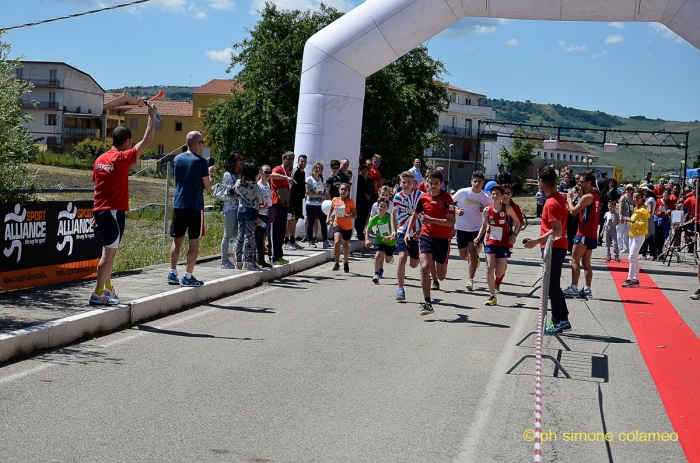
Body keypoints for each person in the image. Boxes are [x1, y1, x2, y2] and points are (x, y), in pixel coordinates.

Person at [89, 103, 157, 305]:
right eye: (130, 142)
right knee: (108, 255)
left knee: (107, 251)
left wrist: (96, 213)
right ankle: (98, 292)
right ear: (126, 142)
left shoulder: (100, 159)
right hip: (113, 211)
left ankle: (107, 287)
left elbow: (98, 186)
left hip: (101, 210)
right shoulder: (121, 158)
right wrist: (152, 116)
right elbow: (148, 141)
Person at [523, 166, 570, 333]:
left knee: (551, 285)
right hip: (556, 246)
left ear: (541, 182)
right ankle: (562, 317)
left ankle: (558, 320)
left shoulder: (551, 202)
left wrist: (536, 241)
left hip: (554, 247)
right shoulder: (558, 197)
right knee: (553, 284)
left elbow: (557, 229)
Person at [167, 131, 215, 286]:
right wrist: (209, 172)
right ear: (198, 143)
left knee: (177, 240)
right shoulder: (201, 162)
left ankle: (172, 272)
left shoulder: (177, 159)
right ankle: (188, 276)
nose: (202, 145)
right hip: (195, 206)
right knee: (194, 242)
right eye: (201, 143)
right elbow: (208, 187)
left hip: (179, 204)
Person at [405, 170, 455, 316]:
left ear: (441, 184)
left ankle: (438, 272)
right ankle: (427, 302)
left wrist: (432, 220)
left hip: (442, 239)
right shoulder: (423, 198)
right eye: (430, 183)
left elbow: (450, 222)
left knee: (441, 276)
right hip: (426, 237)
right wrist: (408, 232)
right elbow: (414, 215)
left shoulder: (447, 199)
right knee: (425, 267)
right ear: (426, 182)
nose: (433, 186)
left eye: (436, 183)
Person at [475, 184, 520, 306]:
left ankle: (502, 265)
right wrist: (478, 237)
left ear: (501, 196)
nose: (494, 196)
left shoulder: (507, 209)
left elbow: (518, 222)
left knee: (498, 273)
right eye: (493, 194)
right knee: (489, 267)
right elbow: (484, 226)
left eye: (497, 194)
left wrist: (514, 234)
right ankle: (492, 295)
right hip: (491, 241)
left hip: (504, 242)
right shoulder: (486, 210)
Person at [563, 170, 600, 299]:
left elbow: (573, 211)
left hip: (583, 232)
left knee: (574, 259)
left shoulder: (587, 197)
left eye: (582, 181)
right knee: (586, 263)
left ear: (589, 182)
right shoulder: (595, 196)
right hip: (591, 234)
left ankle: (574, 287)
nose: (579, 183)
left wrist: (569, 199)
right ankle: (587, 289)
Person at [452, 171, 490, 291]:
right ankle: (474, 259)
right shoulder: (463, 192)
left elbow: (490, 211)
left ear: (483, 183)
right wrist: (457, 211)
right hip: (461, 227)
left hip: (475, 229)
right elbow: (449, 204)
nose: (477, 183)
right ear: (471, 181)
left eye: (479, 182)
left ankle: (470, 279)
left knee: (472, 254)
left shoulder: (485, 197)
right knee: (463, 256)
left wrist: (484, 210)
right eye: (475, 181)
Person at [392, 171, 423, 301]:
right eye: (403, 182)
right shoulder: (398, 197)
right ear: (400, 183)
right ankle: (400, 289)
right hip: (403, 230)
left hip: (418, 232)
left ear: (413, 183)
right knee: (402, 257)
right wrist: (394, 230)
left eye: (408, 182)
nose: (406, 184)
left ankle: (417, 262)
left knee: (414, 264)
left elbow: (427, 215)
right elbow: (393, 215)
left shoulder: (421, 196)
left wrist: (421, 230)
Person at [234, 163, 264, 271]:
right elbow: (259, 197)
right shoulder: (254, 184)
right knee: (249, 236)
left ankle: (238, 261)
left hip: (240, 210)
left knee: (240, 235)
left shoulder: (238, 182)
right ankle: (247, 262)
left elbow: (235, 193)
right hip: (252, 210)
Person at [269, 152, 297, 266]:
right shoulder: (278, 169)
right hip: (276, 203)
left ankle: (279, 255)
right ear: (283, 159)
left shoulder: (288, 172)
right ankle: (272, 256)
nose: (290, 161)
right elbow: (271, 175)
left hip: (284, 203)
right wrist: (286, 177)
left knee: (281, 230)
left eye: (292, 159)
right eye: (288, 159)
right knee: (275, 230)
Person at [621, 191, 650, 288]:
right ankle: (635, 279)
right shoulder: (636, 208)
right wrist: (630, 220)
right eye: (634, 197)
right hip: (633, 235)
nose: (635, 199)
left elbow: (644, 225)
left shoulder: (643, 210)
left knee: (632, 257)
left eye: (637, 197)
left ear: (642, 198)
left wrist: (632, 221)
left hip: (639, 235)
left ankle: (630, 279)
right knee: (634, 257)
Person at [365, 197, 397, 284]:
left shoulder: (390, 217)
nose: (382, 208)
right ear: (377, 207)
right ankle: (376, 274)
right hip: (380, 240)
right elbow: (368, 228)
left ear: (387, 208)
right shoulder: (376, 218)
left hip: (390, 242)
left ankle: (390, 255)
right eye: (380, 206)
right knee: (378, 255)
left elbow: (395, 231)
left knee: (387, 260)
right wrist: (367, 239)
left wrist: (389, 237)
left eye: (384, 207)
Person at [220, 152, 243, 269]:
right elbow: (230, 191)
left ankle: (231, 258)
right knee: (228, 234)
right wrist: (239, 183)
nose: (241, 162)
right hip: (230, 207)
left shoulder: (239, 175)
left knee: (235, 234)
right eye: (239, 159)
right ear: (233, 161)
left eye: (242, 159)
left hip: (239, 207)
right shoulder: (227, 175)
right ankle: (224, 261)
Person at [328, 183, 357, 273]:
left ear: (348, 192)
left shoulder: (350, 202)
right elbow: (331, 209)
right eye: (342, 189)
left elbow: (355, 215)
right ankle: (336, 263)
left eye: (345, 190)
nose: (343, 191)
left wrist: (348, 216)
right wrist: (328, 218)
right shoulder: (335, 200)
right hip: (337, 224)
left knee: (345, 245)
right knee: (337, 242)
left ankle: (346, 262)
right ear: (339, 190)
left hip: (347, 226)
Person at [305, 160, 330, 249]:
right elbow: (308, 192)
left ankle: (325, 240)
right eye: (316, 168)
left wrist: (325, 197)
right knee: (311, 222)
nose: (317, 169)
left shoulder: (322, 179)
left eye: (319, 168)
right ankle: (310, 240)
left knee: (323, 222)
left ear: (321, 170)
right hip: (311, 204)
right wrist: (319, 195)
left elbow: (325, 191)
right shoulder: (309, 179)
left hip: (320, 205)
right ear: (313, 169)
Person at [285, 154, 307, 250]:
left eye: (304, 161)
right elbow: (291, 186)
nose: (303, 163)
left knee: (295, 220)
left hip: (299, 200)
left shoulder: (303, 172)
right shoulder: (295, 171)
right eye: (301, 161)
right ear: (298, 162)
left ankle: (292, 241)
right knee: (291, 221)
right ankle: (286, 241)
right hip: (292, 200)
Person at [255, 165, 273, 268]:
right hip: (260, 214)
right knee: (257, 237)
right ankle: (255, 258)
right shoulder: (258, 185)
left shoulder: (267, 185)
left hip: (267, 214)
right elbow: (256, 202)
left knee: (262, 237)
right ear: (260, 172)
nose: (267, 174)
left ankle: (261, 259)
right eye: (265, 172)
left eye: (269, 172)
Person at [355, 164, 374, 240]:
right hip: (360, 202)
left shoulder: (369, 179)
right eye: (363, 170)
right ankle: (359, 232)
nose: (365, 172)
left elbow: (372, 189)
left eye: (366, 170)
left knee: (365, 218)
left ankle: (362, 231)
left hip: (367, 202)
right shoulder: (359, 179)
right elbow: (358, 189)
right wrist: (365, 194)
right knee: (359, 218)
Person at [598, 178, 618, 245]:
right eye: (610, 183)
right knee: (602, 224)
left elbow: (613, 199)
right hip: (603, 208)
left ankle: (610, 240)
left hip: (611, 210)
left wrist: (610, 193)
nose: (611, 184)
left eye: (612, 183)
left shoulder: (614, 191)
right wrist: (608, 197)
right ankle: (599, 239)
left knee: (611, 224)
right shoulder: (604, 190)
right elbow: (602, 198)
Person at [654, 188, 672, 259]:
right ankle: (655, 252)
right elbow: (654, 209)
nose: (666, 195)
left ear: (669, 195)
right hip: (657, 220)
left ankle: (660, 251)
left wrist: (670, 210)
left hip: (665, 221)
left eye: (667, 194)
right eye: (665, 193)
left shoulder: (670, 202)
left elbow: (673, 208)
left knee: (662, 236)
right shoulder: (658, 200)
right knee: (656, 236)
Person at [640, 186, 657, 259]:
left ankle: (647, 254)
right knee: (648, 237)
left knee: (648, 236)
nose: (644, 191)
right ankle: (650, 254)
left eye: (645, 190)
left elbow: (650, 210)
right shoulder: (649, 199)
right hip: (648, 218)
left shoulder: (650, 199)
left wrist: (645, 216)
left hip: (648, 219)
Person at [617, 184, 634, 253]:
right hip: (623, 217)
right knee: (620, 233)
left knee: (627, 234)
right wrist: (621, 216)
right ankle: (619, 247)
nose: (629, 190)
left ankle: (626, 247)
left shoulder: (633, 198)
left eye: (630, 189)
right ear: (625, 190)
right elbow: (620, 208)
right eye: (628, 189)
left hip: (629, 218)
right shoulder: (623, 198)